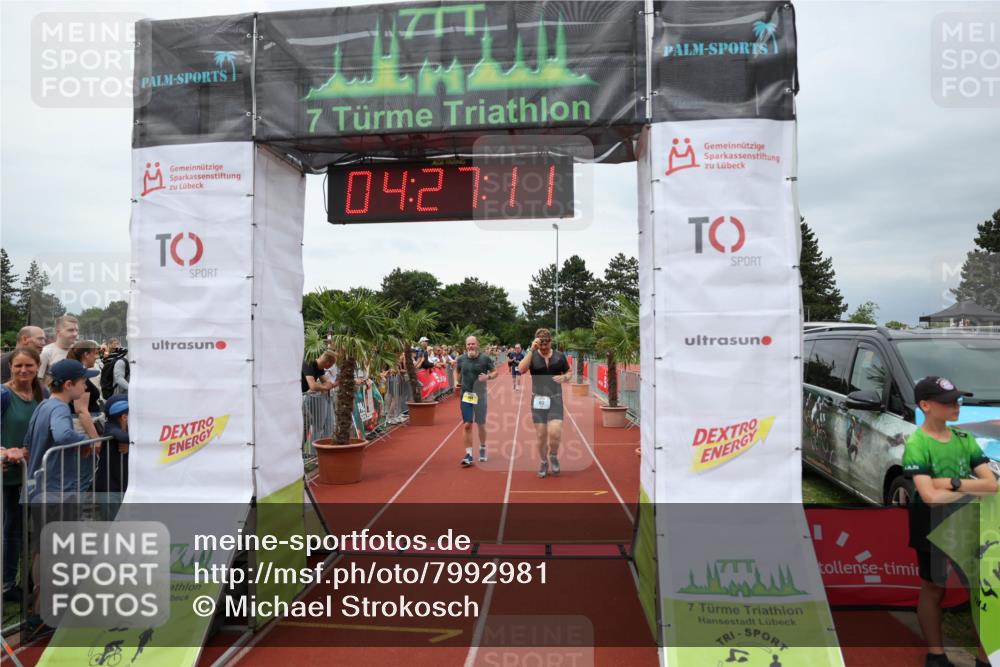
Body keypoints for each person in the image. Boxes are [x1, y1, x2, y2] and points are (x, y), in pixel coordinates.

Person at [902, 376, 998, 667]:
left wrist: (950, 483)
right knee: (934, 587)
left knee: (980, 590)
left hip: (967, 523)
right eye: (948, 402)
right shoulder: (917, 443)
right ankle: (936, 654)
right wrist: (969, 488)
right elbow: (930, 498)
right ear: (925, 405)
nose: (956, 406)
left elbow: (992, 484)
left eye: (957, 400)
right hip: (930, 525)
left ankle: (985, 657)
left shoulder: (964, 439)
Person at [21, 358, 97, 640]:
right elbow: (63, 435)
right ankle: (45, 613)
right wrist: (88, 442)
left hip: (41, 489)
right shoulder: (59, 408)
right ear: (68, 384)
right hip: (55, 490)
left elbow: (28, 442)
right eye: (83, 381)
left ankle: (38, 610)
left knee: (44, 549)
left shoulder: (43, 405)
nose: (86, 386)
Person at [1, 347, 46, 603]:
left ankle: (28, 583)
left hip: (34, 474)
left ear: (38, 366)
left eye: (29, 365)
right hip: (8, 476)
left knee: (32, 530)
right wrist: (4, 452)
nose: (23, 370)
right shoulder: (3, 394)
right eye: (18, 365)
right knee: (12, 529)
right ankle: (7, 584)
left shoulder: (42, 394)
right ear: (10, 367)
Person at [519, 328, 572, 478]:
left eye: (546, 344)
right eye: (540, 344)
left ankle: (553, 455)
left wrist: (564, 378)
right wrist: (531, 350)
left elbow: (569, 372)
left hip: (555, 398)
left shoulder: (559, 356)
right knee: (541, 436)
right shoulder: (532, 355)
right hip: (538, 400)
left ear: (550, 341)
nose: (543, 347)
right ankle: (543, 461)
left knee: (555, 432)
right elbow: (521, 369)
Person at [455, 335, 497, 467]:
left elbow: (495, 372)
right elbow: (457, 371)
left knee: (481, 424)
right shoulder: (461, 359)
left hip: (480, 396)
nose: (471, 346)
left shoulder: (485, 358)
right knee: (467, 424)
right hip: (466, 395)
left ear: (477, 345)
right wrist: (456, 381)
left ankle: (482, 447)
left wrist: (488, 377)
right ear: (466, 346)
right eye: (468, 344)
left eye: (473, 344)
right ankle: (468, 454)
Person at [67, 340, 104, 440]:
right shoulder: (79, 376)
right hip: (83, 429)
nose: (97, 357)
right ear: (86, 354)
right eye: (95, 353)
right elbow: (81, 410)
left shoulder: (79, 374)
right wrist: (95, 438)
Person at [95, 394, 129, 502]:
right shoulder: (111, 427)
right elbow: (122, 436)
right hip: (109, 489)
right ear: (124, 417)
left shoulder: (126, 429)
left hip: (121, 485)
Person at [38, 315, 79, 380]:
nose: (75, 334)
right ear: (58, 332)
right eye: (70, 330)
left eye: (76, 330)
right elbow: (39, 379)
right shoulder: (46, 352)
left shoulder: (79, 351)